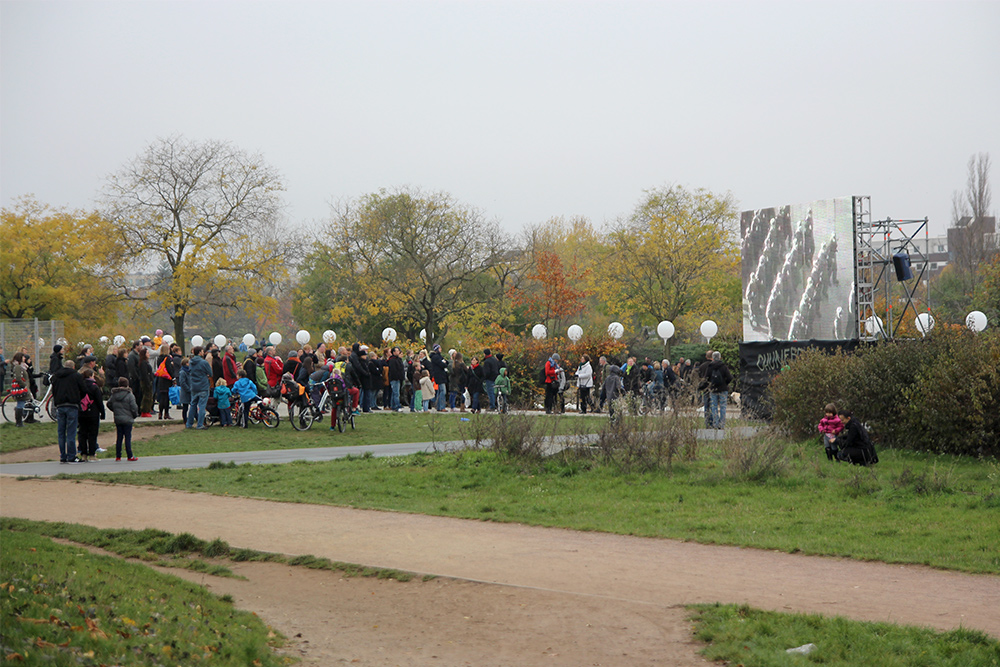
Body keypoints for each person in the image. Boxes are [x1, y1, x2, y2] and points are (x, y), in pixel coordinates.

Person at [51, 359, 87, 463]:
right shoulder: (76, 376)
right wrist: (78, 398)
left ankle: (63, 455)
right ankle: (72, 455)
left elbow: (54, 391)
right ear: (73, 367)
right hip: (72, 405)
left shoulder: (56, 377)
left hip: (60, 406)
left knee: (61, 432)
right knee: (71, 432)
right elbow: (84, 389)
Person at [107, 377, 140, 461]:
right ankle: (130, 455)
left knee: (119, 437)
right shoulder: (129, 395)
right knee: (127, 437)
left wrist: (115, 410)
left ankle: (118, 456)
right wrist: (134, 415)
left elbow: (109, 403)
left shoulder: (114, 394)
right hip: (128, 418)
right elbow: (134, 407)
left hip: (118, 418)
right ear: (127, 385)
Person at [77, 367, 105, 462]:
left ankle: (83, 454)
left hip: (81, 412)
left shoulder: (80, 386)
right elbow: (99, 401)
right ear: (91, 376)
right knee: (92, 434)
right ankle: (92, 454)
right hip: (93, 413)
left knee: (82, 434)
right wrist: (102, 413)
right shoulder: (94, 387)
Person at [705, 351, 733, 430]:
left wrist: (711, 384)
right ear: (720, 357)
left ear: (713, 358)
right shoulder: (723, 366)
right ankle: (722, 424)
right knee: (723, 407)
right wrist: (725, 383)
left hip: (713, 389)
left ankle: (715, 424)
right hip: (723, 389)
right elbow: (730, 378)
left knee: (714, 407)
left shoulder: (710, 366)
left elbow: (706, 378)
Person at [186, 346, 212, 429]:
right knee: (202, 406)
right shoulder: (204, 362)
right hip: (203, 385)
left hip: (194, 385)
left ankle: (189, 424)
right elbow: (210, 373)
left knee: (193, 405)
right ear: (200, 352)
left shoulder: (191, 362)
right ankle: (200, 424)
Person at [9, 352, 30, 427]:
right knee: (20, 404)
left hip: (21, 387)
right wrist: (24, 385)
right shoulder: (18, 367)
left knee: (21, 404)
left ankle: (19, 421)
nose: (24, 358)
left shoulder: (20, 366)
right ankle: (19, 422)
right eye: (23, 357)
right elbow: (18, 378)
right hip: (21, 388)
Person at [429, 344, 449, 411]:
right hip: (439, 376)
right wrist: (444, 363)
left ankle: (438, 406)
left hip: (441, 376)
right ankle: (442, 406)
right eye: (440, 348)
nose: (441, 349)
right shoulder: (435, 357)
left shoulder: (439, 357)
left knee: (439, 391)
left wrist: (445, 362)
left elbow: (446, 362)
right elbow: (443, 364)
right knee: (443, 391)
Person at [138, 346, 155, 417]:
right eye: (147, 353)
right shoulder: (143, 363)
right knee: (146, 396)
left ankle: (148, 409)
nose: (149, 354)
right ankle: (144, 410)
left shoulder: (145, 362)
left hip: (148, 380)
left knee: (149, 396)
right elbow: (145, 374)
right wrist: (148, 382)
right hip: (145, 382)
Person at [388, 346, 405, 412]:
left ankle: (393, 406)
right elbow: (394, 370)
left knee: (394, 393)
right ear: (393, 352)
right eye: (397, 351)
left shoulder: (397, 359)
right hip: (395, 378)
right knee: (396, 393)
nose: (398, 352)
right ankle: (397, 406)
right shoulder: (392, 360)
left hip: (398, 378)